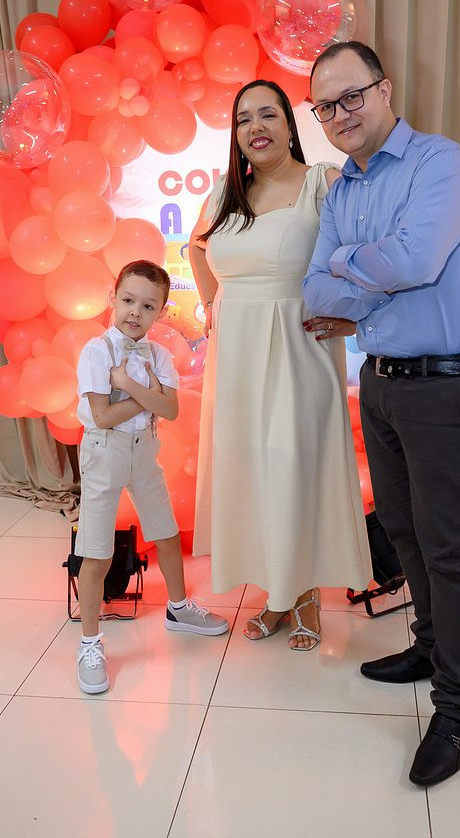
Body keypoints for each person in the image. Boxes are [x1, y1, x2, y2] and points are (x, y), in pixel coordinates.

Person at [303, 42, 460, 786]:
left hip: (449, 383)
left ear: (384, 90)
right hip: (383, 382)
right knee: (403, 531)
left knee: (450, 549)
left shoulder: (437, 163)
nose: (339, 114)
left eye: (350, 95)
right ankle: (429, 646)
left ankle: (456, 705)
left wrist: (348, 269)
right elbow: (315, 293)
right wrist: (368, 273)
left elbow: (416, 261)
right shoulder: (342, 192)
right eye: (325, 105)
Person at [189, 79, 371, 651]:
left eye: (267, 114)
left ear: (290, 126)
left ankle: (306, 592)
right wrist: (211, 307)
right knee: (252, 470)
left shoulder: (324, 182)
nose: (255, 127)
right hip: (237, 355)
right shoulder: (225, 193)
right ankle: (277, 592)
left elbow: (370, 252)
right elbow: (197, 247)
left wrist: (352, 315)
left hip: (298, 348)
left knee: (295, 467)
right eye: (244, 119)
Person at [75, 259, 228, 695]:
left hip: (144, 449)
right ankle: (89, 644)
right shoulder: (96, 352)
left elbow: (172, 409)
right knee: (96, 551)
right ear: (113, 298)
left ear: (161, 311)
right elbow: (102, 416)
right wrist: (150, 397)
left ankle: (179, 608)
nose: (135, 313)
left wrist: (129, 385)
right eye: (128, 300)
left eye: (147, 306)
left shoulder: (158, 354)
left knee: (166, 534)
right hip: (104, 452)